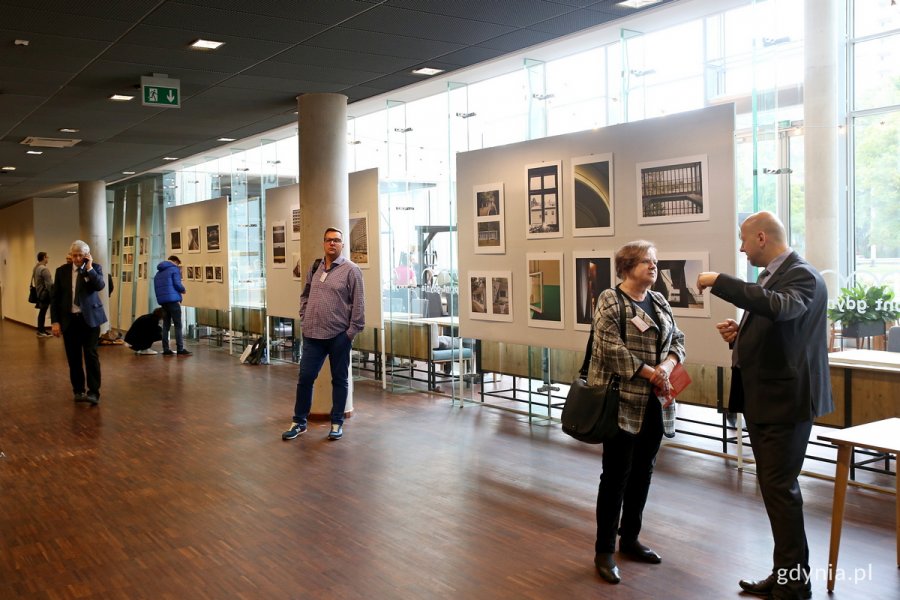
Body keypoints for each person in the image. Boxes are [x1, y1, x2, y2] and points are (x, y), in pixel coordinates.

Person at [696, 211, 832, 600]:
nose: (741, 248)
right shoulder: (776, 277)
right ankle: (786, 575)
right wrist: (741, 335)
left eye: (742, 240)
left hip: (784, 403)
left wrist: (720, 281)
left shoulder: (802, 274)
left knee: (780, 490)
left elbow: (782, 308)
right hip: (770, 398)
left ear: (760, 237)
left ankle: (794, 584)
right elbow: (781, 330)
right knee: (775, 490)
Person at [589, 240, 685, 585]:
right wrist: (651, 372)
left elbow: (678, 339)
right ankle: (604, 550)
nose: (653, 266)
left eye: (655, 261)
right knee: (615, 476)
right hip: (622, 402)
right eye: (646, 261)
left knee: (644, 471)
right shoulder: (610, 300)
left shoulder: (658, 300)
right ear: (627, 267)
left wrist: (669, 364)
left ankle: (630, 539)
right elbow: (609, 348)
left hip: (656, 404)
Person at [282, 227, 365, 442]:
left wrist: (351, 332)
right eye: (329, 240)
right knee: (305, 378)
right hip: (312, 334)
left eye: (336, 240)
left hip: (339, 336)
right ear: (323, 243)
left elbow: (359, 304)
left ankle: (336, 422)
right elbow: (306, 294)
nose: (332, 244)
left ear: (342, 244)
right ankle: (299, 422)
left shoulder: (351, 270)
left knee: (339, 380)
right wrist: (304, 316)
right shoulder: (316, 266)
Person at [50, 240, 107, 405]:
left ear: (86, 255)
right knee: (73, 358)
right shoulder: (61, 271)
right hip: (70, 321)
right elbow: (55, 298)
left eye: (80, 255)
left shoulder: (94, 268)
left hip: (89, 320)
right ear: (70, 255)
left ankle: (94, 392)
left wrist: (88, 268)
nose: (76, 258)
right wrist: (55, 322)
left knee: (91, 355)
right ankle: (78, 390)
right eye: (74, 255)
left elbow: (99, 285)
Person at [153, 255, 191, 356]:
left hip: (163, 302)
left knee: (166, 325)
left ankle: (166, 349)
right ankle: (180, 349)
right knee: (178, 325)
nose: (178, 265)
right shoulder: (174, 269)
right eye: (178, 263)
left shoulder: (158, 273)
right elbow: (177, 284)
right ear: (175, 261)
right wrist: (183, 290)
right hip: (173, 301)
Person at [32, 251, 53, 337]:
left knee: (42, 312)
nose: (48, 259)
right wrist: (53, 294)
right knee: (43, 312)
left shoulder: (36, 267)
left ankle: (41, 330)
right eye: (47, 257)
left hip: (39, 293)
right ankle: (41, 331)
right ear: (44, 258)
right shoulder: (44, 269)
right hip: (44, 294)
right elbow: (49, 284)